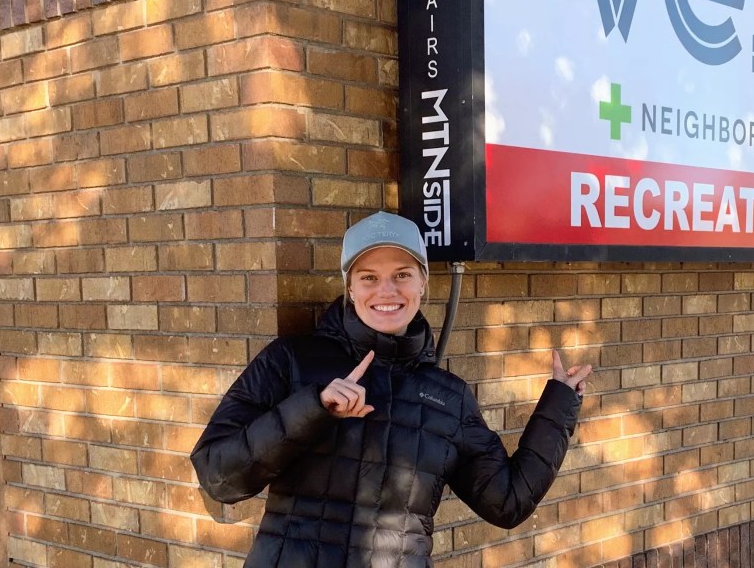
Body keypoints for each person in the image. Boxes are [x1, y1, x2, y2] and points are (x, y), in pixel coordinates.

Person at [191, 210, 592, 568]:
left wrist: (558, 407)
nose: (386, 291)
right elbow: (219, 478)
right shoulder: (291, 361)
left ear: (422, 284)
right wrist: (312, 409)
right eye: (369, 277)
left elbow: (507, 503)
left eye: (402, 275)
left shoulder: (447, 396)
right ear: (350, 288)